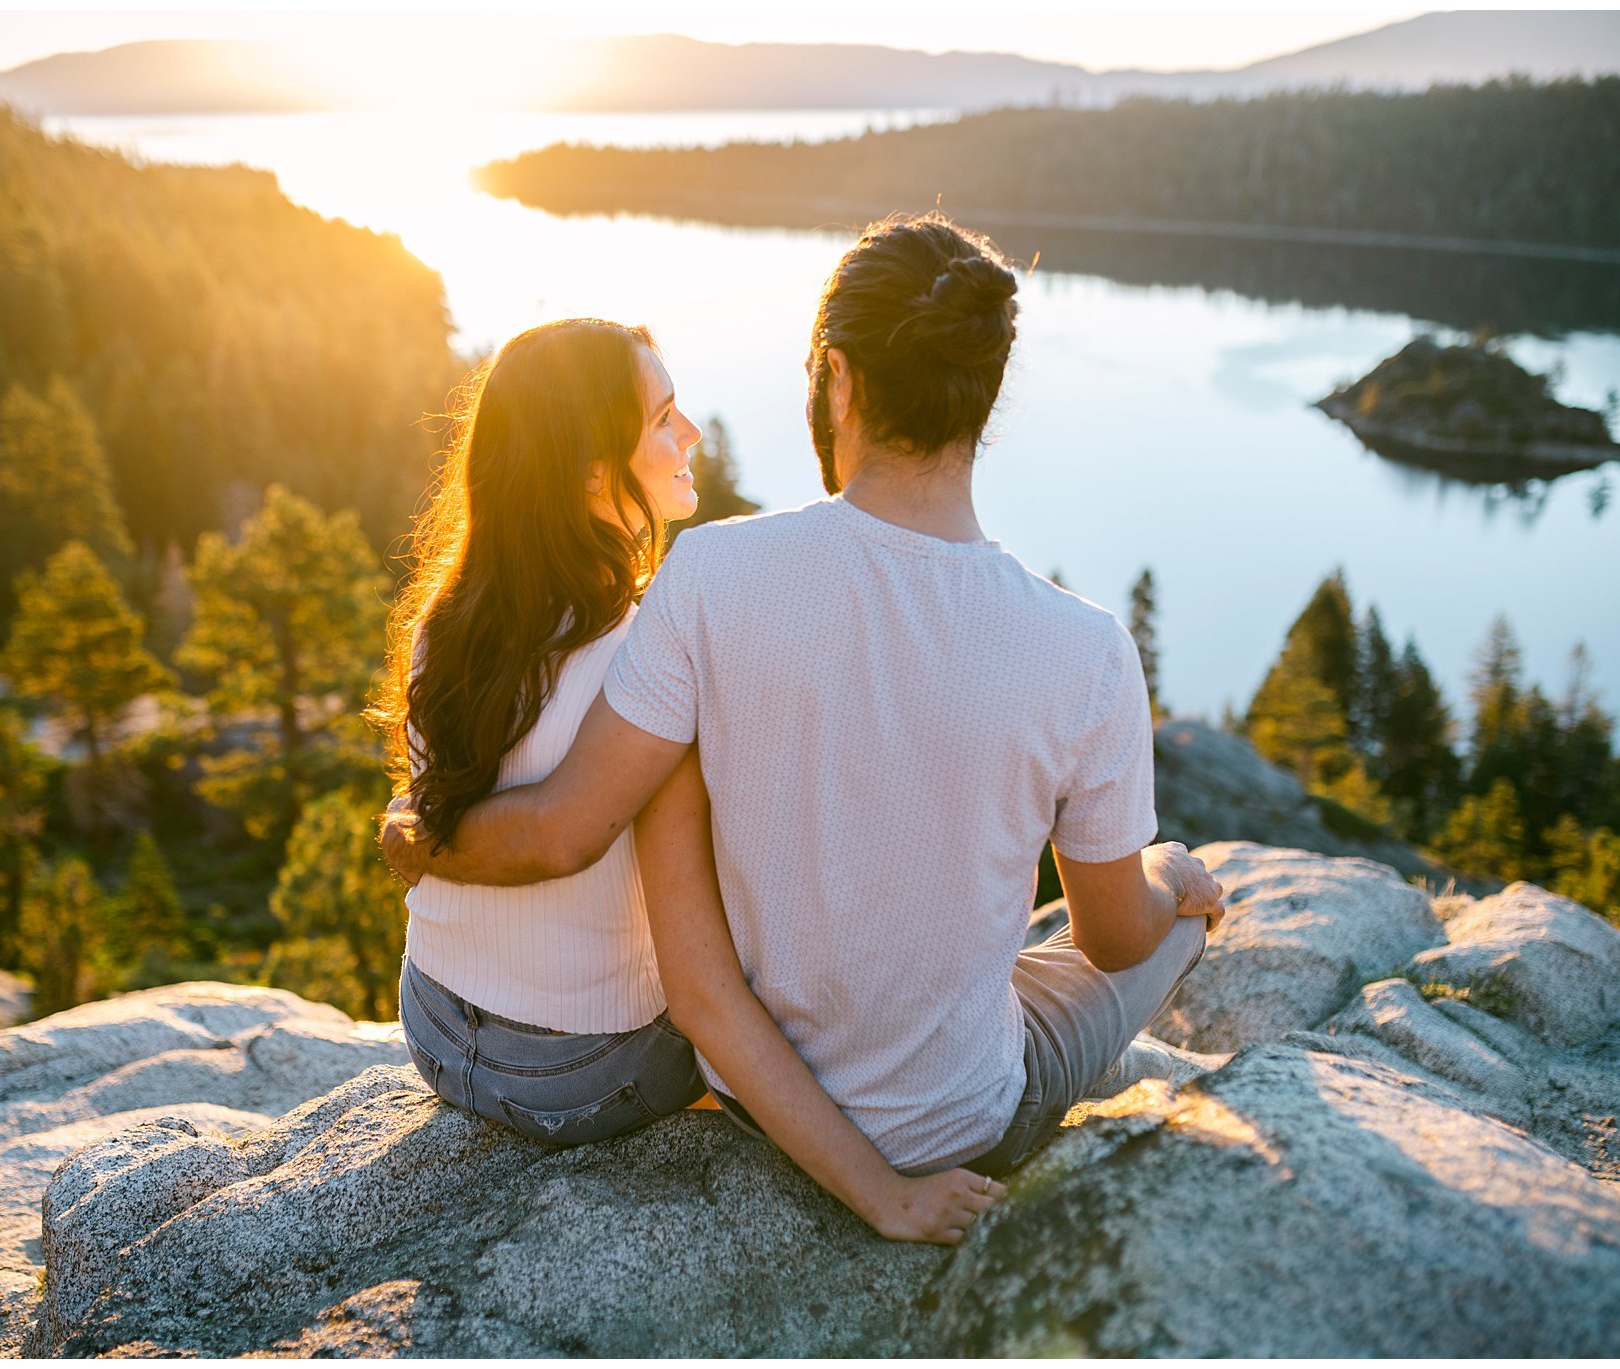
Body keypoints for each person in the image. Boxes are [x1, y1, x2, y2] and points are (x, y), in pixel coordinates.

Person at [382, 213, 1224, 1244]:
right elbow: (1109, 936)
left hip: (651, 1075)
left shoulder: (704, 580)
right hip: (951, 1119)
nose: (685, 431)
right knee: (1163, 917)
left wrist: (422, 832)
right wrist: (1170, 882)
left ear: (837, 377)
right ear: (983, 394)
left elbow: (572, 827)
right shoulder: (1086, 650)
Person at [368, 317, 709, 1147]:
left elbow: (419, 809)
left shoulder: (445, 621)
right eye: (664, 418)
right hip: (584, 1070)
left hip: (435, 1024)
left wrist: (414, 836)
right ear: (595, 474)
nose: (690, 431)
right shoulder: (649, 653)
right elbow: (562, 838)